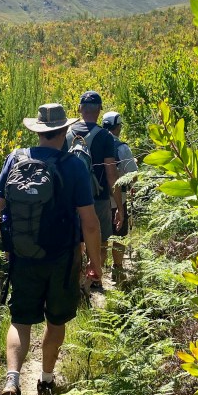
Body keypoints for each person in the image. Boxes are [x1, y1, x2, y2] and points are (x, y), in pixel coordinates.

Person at [0, 103, 102, 395]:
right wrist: (96, 264)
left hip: (23, 257)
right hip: (62, 258)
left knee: (20, 321)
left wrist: (14, 245)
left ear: (37, 131)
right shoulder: (73, 166)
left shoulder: (15, 159)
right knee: (56, 323)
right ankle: (46, 380)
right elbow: (91, 223)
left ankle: (12, 380)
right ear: (65, 131)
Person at [66, 90, 123, 287]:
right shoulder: (105, 137)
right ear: (100, 109)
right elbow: (111, 174)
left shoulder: (66, 134)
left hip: (70, 198)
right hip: (98, 198)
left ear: (80, 108)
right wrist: (119, 207)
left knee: (76, 239)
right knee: (101, 239)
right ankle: (95, 279)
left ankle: (79, 278)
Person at [101, 111, 138, 278]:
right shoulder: (122, 148)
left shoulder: (94, 144)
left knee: (100, 235)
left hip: (96, 199)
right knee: (119, 233)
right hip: (118, 199)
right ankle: (117, 268)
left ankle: (97, 271)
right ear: (118, 127)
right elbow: (133, 176)